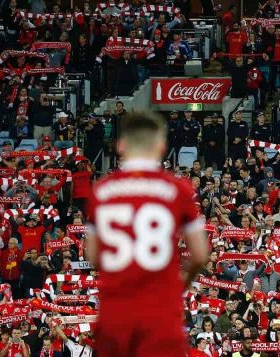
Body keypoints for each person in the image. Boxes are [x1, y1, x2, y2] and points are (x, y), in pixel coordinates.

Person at [86, 112, 209, 356]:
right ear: (162, 146)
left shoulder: (102, 191)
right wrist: (178, 285)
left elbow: (91, 253)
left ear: (120, 145)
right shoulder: (178, 190)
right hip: (160, 311)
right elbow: (199, 255)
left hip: (115, 313)